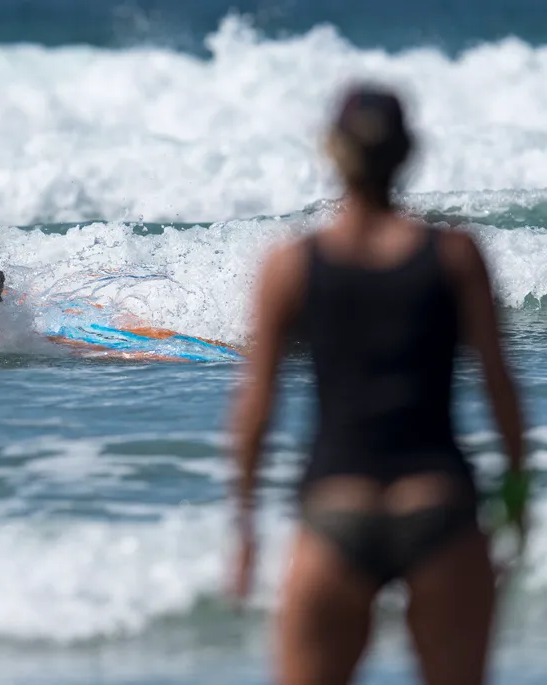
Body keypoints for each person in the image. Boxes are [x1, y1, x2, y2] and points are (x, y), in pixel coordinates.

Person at [229, 82, 529, 685]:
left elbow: (256, 406)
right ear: (408, 150)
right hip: (439, 503)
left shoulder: (292, 263)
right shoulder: (455, 254)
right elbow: (501, 387)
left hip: (336, 508)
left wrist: (245, 528)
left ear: (333, 151)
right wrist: (517, 501)